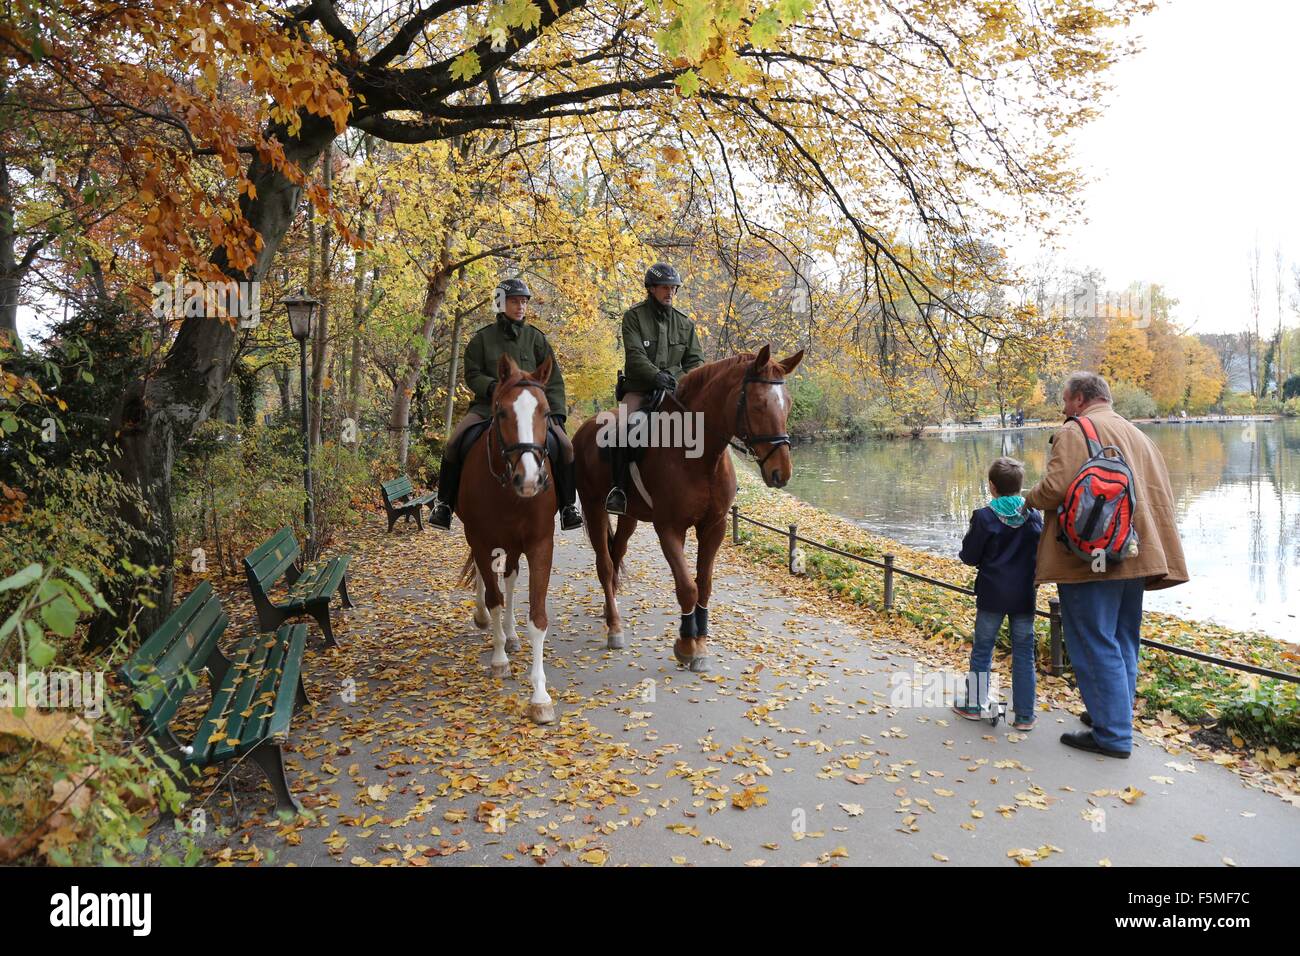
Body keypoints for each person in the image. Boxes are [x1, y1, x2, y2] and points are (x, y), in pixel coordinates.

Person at [1022, 371, 1188, 758]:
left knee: (1092, 639)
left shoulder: (1076, 430)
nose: (1063, 409)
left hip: (1091, 556)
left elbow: (1054, 489)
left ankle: (1112, 735)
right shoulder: (1138, 435)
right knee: (1122, 637)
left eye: (1064, 400)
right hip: (1135, 551)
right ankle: (1111, 714)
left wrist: (1026, 498)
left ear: (1080, 399)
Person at [430, 278, 583, 531]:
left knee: (565, 446)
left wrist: (556, 415)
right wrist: (491, 387)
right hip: (487, 407)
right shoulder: (482, 339)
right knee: (454, 442)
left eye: (523, 302)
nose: (520, 306)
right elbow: (472, 373)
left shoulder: (536, 339)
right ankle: (444, 505)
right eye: (514, 301)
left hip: (531, 412)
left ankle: (568, 507)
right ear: (501, 304)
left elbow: (553, 380)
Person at [604, 262, 705, 514]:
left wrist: (676, 379)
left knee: (704, 424)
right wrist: (656, 376)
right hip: (640, 390)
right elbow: (636, 356)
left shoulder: (685, 323)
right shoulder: (634, 317)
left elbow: (696, 363)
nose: (669, 292)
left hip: (675, 390)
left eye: (673, 288)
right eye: (664, 287)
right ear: (651, 289)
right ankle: (618, 491)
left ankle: (713, 483)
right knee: (623, 429)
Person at [954, 456, 1043, 730]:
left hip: (992, 594)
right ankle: (1025, 715)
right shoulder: (1034, 516)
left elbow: (969, 556)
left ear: (992, 487)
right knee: (1024, 653)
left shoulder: (984, 517)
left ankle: (975, 704)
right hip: (1024, 596)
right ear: (1020, 486)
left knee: (983, 648)